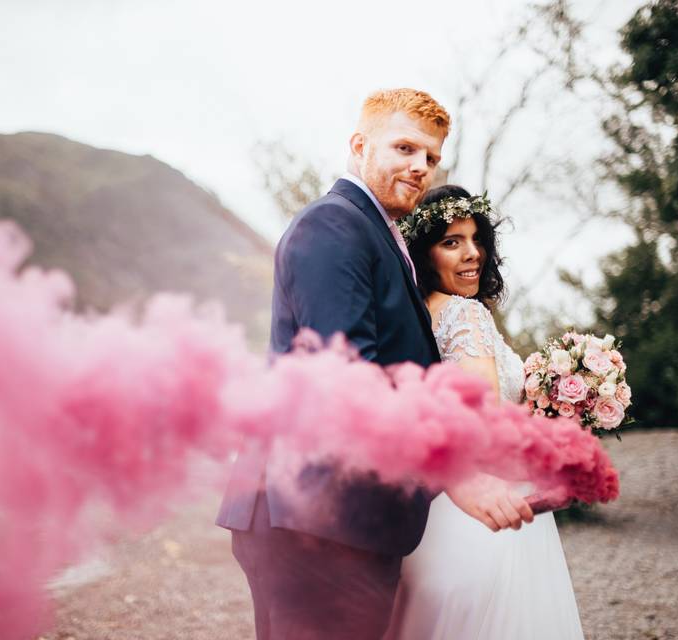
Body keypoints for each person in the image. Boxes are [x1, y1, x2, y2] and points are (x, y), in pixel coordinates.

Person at [216, 88, 452, 639]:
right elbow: (345, 379)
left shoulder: (374, 231)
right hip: (314, 519)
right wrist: (458, 473)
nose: (421, 167)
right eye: (405, 148)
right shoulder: (334, 225)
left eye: (432, 158)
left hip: (340, 518)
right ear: (359, 145)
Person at [384, 184, 585, 640]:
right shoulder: (464, 315)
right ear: (423, 253)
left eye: (477, 240)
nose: (471, 254)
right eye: (451, 242)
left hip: (430, 516)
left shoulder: (416, 317)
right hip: (486, 516)